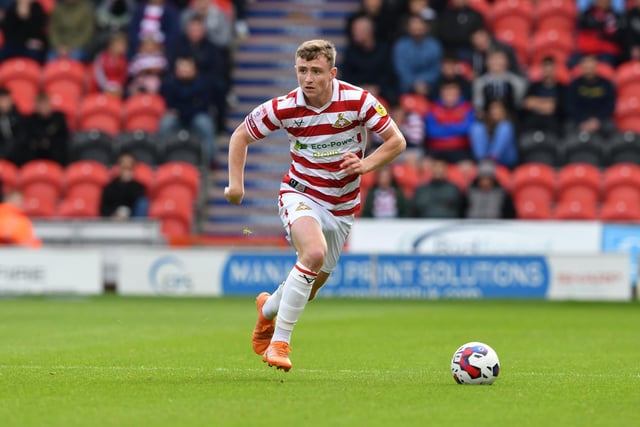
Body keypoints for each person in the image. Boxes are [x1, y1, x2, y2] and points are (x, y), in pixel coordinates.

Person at [224, 40, 406, 371]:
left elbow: (397, 141)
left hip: (342, 206)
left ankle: (267, 310)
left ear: (332, 73)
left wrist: (366, 165)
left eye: (316, 71)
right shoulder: (284, 107)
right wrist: (237, 185)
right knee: (313, 253)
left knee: (310, 285)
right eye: (303, 71)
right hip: (300, 192)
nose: (308, 79)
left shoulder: (359, 101)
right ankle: (280, 343)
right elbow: (240, 136)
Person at [158, 55, 215, 166]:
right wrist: (188, 106)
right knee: (165, 123)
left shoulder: (203, 83)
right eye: (181, 67)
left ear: (194, 69)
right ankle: (160, 157)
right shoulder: (169, 83)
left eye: (187, 67)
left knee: (205, 124)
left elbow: (203, 104)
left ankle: (210, 160)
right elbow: (169, 103)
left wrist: (185, 109)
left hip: (196, 115)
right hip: (177, 116)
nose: (183, 70)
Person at [340, 15, 396, 104]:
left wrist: (377, 88)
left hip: (382, 95)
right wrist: (360, 88)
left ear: (369, 32)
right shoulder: (350, 51)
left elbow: (389, 75)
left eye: (357, 30)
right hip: (356, 94)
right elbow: (346, 76)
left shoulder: (384, 50)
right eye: (353, 30)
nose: (354, 33)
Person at [565, 54, 617, 137]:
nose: (588, 66)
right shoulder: (574, 85)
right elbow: (570, 106)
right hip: (579, 120)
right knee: (568, 127)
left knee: (610, 127)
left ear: (596, 65)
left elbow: (610, 106)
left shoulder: (606, 85)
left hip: (600, 120)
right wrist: (582, 121)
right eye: (586, 63)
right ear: (581, 66)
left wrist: (597, 121)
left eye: (591, 63)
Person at [425, 80, 475, 164]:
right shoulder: (433, 108)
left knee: (468, 170)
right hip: (436, 150)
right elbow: (431, 131)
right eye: (446, 91)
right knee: (425, 166)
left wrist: (443, 126)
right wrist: (457, 127)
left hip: (460, 150)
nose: (449, 94)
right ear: (441, 93)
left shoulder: (467, 107)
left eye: (452, 91)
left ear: (458, 92)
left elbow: (468, 129)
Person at [392, 14, 442, 97]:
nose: (417, 27)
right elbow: (401, 69)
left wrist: (422, 82)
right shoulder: (400, 45)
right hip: (406, 87)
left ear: (426, 27)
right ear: (408, 28)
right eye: (414, 24)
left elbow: (436, 69)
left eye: (419, 24)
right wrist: (414, 84)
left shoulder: (435, 45)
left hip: (429, 86)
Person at [472, 48, 528, 117]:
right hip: (487, 117)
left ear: (507, 62)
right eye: (492, 59)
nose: (496, 62)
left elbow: (520, 103)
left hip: (511, 116)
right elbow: (478, 104)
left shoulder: (517, 81)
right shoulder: (480, 82)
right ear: (486, 62)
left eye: (499, 58)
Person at [18, 93, 69, 166]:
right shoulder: (30, 120)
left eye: (45, 104)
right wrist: (38, 143)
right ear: (36, 106)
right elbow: (25, 138)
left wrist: (49, 142)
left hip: (54, 152)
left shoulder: (59, 118)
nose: (43, 108)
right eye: (40, 105)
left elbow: (64, 137)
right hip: (35, 153)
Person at [521, 56, 567, 137]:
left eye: (550, 68)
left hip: (553, 121)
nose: (548, 71)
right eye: (546, 68)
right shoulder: (534, 86)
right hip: (534, 119)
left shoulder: (561, 88)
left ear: (555, 69)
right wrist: (547, 104)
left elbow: (557, 108)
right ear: (542, 69)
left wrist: (536, 103)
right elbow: (527, 104)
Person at [469, 100, 518, 168]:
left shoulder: (507, 124)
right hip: (484, 158)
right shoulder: (484, 125)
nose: (496, 111)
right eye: (493, 109)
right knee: (476, 127)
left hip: (505, 159)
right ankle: (481, 161)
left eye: (498, 109)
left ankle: (491, 159)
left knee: (504, 127)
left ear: (504, 111)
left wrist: (492, 157)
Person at [100, 152, 148, 218]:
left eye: (129, 168)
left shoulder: (138, 187)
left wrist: (129, 183)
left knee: (143, 203)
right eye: (124, 167)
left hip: (132, 219)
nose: (126, 171)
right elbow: (104, 208)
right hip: (113, 219)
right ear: (119, 168)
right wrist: (114, 215)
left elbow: (138, 203)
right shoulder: (109, 187)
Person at [92, 32, 129, 97]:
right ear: (111, 45)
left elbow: (124, 75)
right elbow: (98, 73)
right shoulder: (101, 57)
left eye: (124, 45)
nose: (123, 47)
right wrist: (106, 86)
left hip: (118, 88)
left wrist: (117, 87)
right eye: (120, 45)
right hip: (103, 87)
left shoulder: (124, 60)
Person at [0, 87, 26, 163]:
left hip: (17, 156)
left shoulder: (19, 117)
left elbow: (22, 137)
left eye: (6, 100)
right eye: (1, 100)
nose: (3, 103)